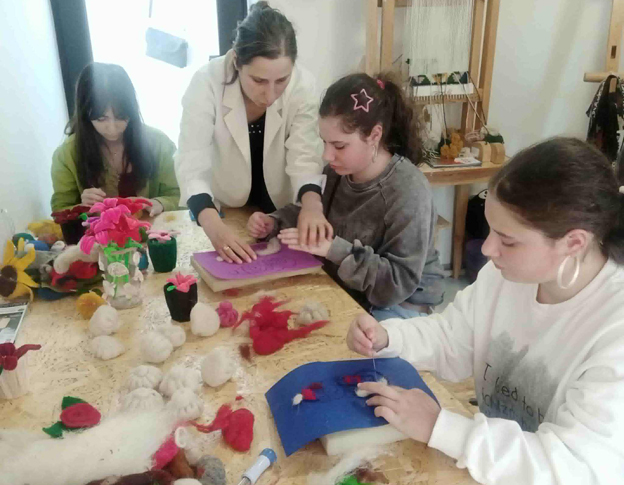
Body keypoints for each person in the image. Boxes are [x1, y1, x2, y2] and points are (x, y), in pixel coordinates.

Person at [347, 137, 624, 484]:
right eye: (491, 230)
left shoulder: (614, 331)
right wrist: (388, 337)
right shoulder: (506, 275)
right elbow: (453, 338)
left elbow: (571, 468)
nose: (488, 249)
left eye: (508, 240)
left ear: (574, 242)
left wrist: (442, 428)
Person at [248, 73, 444, 318]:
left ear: (374, 135)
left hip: (402, 302)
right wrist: (273, 222)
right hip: (354, 290)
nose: (327, 155)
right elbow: (313, 215)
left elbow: (397, 284)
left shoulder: (409, 190)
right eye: (324, 142)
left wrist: (334, 249)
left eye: (339, 146)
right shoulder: (336, 173)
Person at [175, 1, 329, 265]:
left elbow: (305, 155)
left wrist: (313, 207)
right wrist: (213, 226)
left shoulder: (303, 85)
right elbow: (192, 162)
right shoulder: (206, 83)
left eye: (282, 80)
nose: (270, 95)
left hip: (278, 207)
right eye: (258, 80)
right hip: (227, 206)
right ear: (237, 61)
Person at [51, 62, 180, 215]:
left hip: (155, 230)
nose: (112, 128)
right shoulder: (67, 154)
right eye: (101, 119)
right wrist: (82, 207)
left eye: (121, 117)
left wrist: (160, 203)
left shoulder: (159, 144)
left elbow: (181, 195)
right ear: (85, 114)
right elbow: (60, 211)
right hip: (98, 232)